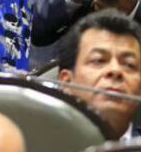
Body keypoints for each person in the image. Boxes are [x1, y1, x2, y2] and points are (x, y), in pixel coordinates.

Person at [56, 9, 141, 140]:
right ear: (66, 82)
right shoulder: (37, 148)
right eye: (98, 60)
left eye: (129, 64)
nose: (115, 70)